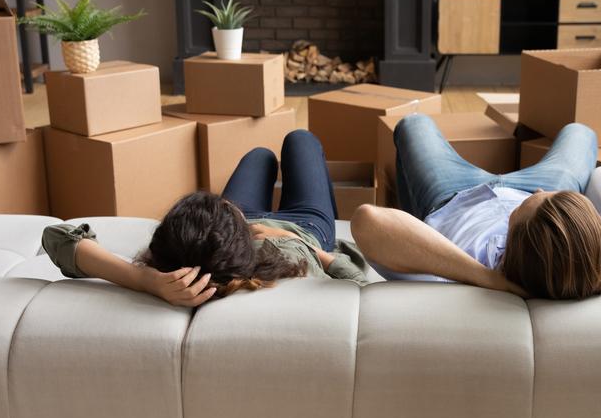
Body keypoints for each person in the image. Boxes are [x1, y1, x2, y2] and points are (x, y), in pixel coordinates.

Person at [351, 113, 601, 300]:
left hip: (454, 196)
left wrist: (485, 278)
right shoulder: (600, 263)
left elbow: (369, 221)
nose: (526, 200)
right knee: (581, 130)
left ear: (513, 242)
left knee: (413, 125)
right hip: (552, 191)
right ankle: (551, 199)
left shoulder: (457, 276)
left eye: (524, 208)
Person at [42, 130, 369, 306]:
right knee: (300, 140)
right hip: (303, 227)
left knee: (259, 156)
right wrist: (306, 246)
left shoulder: (174, 267)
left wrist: (143, 280)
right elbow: (360, 283)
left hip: (222, 231)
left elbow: (57, 237)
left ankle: (256, 173)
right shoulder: (293, 274)